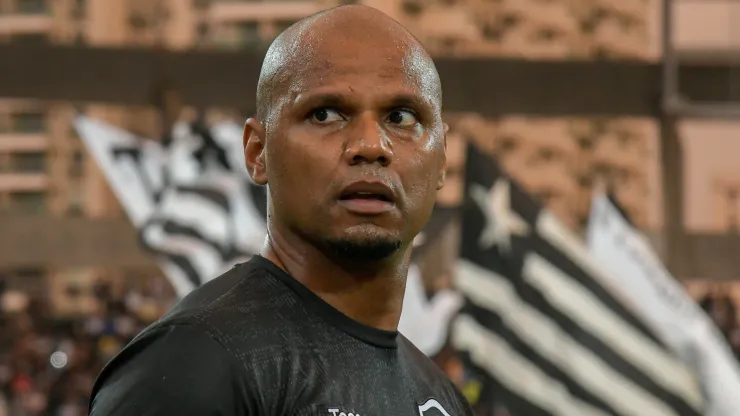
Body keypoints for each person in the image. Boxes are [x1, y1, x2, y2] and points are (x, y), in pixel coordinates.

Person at [89, 5, 473, 415]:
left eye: (401, 116)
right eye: (325, 114)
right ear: (258, 152)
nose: (371, 145)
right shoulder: (196, 362)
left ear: (443, 160)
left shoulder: (440, 398)